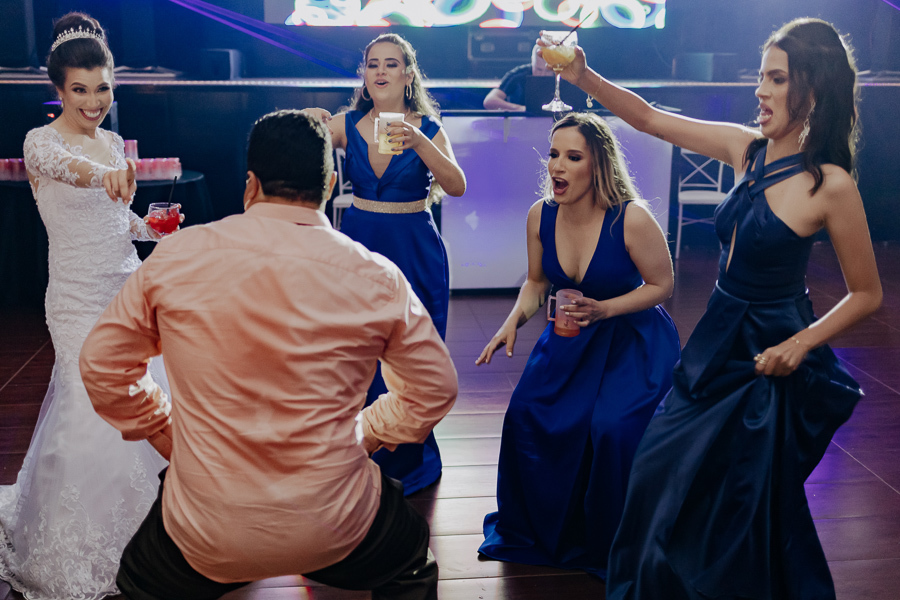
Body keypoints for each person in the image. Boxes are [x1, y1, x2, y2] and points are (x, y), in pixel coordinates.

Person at [547, 18, 883, 598]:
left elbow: (867, 294)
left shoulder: (831, 185)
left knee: (745, 501)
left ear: (814, 88)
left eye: (775, 78)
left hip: (769, 352)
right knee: (655, 470)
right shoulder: (744, 149)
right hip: (715, 341)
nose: (760, 90)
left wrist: (800, 345)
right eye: (761, 76)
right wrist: (584, 76)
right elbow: (650, 119)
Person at [78, 109, 458, 600]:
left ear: (250, 184)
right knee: (412, 561)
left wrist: (165, 431)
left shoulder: (176, 257)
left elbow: (102, 366)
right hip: (337, 525)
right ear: (332, 181)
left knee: (139, 580)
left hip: (207, 531)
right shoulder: (376, 275)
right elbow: (435, 390)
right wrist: (366, 432)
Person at [0, 12, 176, 600]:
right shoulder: (42, 144)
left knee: (147, 400)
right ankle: (80, 543)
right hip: (73, 299)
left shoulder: (111, 144)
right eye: (80, 89)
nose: (93, 100)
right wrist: (109, 174)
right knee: (88, 405)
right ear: (58, 90)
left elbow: (114, 216)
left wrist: (148, 226)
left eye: (102, 87)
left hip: (126, 289)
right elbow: (77, 175)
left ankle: (158, 537)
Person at [474, 112, 680, 577]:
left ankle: (608, 538)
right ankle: (545, 527)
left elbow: (662, 285)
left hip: (633, 342)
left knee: (610, 429)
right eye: (552, 155)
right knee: (526, 414)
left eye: (572, 157)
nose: (557, 167)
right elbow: (536, 283)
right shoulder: (539, 215)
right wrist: (513, 322)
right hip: (570, 340)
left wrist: (605, 309)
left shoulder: (632, 218)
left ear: (598, 165)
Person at [305, 33, 466, 495]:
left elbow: (456, 186)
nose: (379, 72)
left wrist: (419, 142)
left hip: (414, 246)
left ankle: (406, 455)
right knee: (357, 347)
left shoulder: (429, 129)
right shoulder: (349, 122)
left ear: (408, 75)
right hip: (359, 244)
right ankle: (354, 451)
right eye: (372, 64)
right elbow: (298, 142)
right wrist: (311, 122)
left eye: (391, 64)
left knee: (410, 350)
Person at [482, 43, 555, 111]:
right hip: (518, 121)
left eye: (548, 71)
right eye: (538, 69)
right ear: (532, 61)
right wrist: (520, 108)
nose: (542, 74)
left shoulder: (561, 75)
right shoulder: (518, 74)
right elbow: (489, 101)